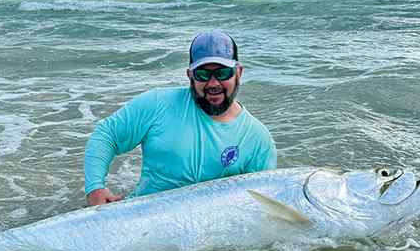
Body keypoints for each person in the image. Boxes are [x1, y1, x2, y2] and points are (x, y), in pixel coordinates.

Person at [84, 29, 277, 206]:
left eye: (222, 73)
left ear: (238, 73)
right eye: (202, 74)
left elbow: (261, 205)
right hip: (140, 222)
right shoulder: (157, 104)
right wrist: (95, 187)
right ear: (190, 75)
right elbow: (106, 136)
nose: (213, 83)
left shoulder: (258, 139)